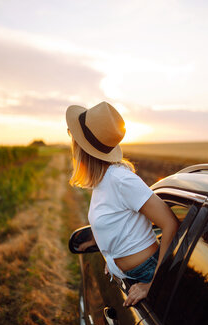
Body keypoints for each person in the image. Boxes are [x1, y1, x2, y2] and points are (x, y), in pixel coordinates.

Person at [66, 101, 179, 306]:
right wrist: (112, 261)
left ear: (82, 147)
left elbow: (170, 223)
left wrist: (153, 283)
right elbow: (120, 226)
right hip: (131, 275)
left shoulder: (121, 179)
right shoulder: (103, 180)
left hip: (147, 273)